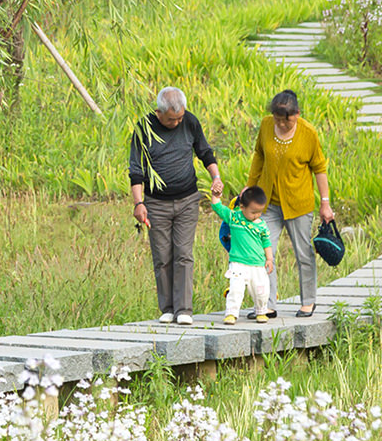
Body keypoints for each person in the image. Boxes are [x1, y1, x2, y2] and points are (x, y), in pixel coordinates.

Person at [128, 87, 224, 325]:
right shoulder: (144, 128)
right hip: (156, 203)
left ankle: (184, 310)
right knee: (162, 256)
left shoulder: (189, 121)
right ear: (159, 113)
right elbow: (136, 170)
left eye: (180, 117)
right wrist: (139, 203)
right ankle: (168, 308)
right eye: (172, 119)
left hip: (187, 200)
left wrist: (216, 177)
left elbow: (204, 152)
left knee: (183, 254)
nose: (177, 122)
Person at [244, 89, 335, 317]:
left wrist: (325, 203)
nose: (282, 125)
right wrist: (250, 185)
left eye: (288, 121)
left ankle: (308, 301)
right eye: (278, 120)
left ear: (297, 114)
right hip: (268, 203)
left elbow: (319, 169)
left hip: (298, 204)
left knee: (304, 254)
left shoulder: (308, 133)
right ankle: (267, 305)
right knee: (264, 254)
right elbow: (259, 156)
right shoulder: (266, 125)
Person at [209, 186, 275, 325]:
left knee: (261, 290)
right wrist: (215, 195)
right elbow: (218, 207)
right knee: (235, 289)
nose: (256, 215)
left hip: (258, 264)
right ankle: (231, 313)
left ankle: (261, 311)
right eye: (253, 212)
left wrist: (269, 259)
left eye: (259, 212)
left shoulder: (262, 225)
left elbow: (266, 243)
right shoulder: (234, 218)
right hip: (238, 263)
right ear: (242, 207)